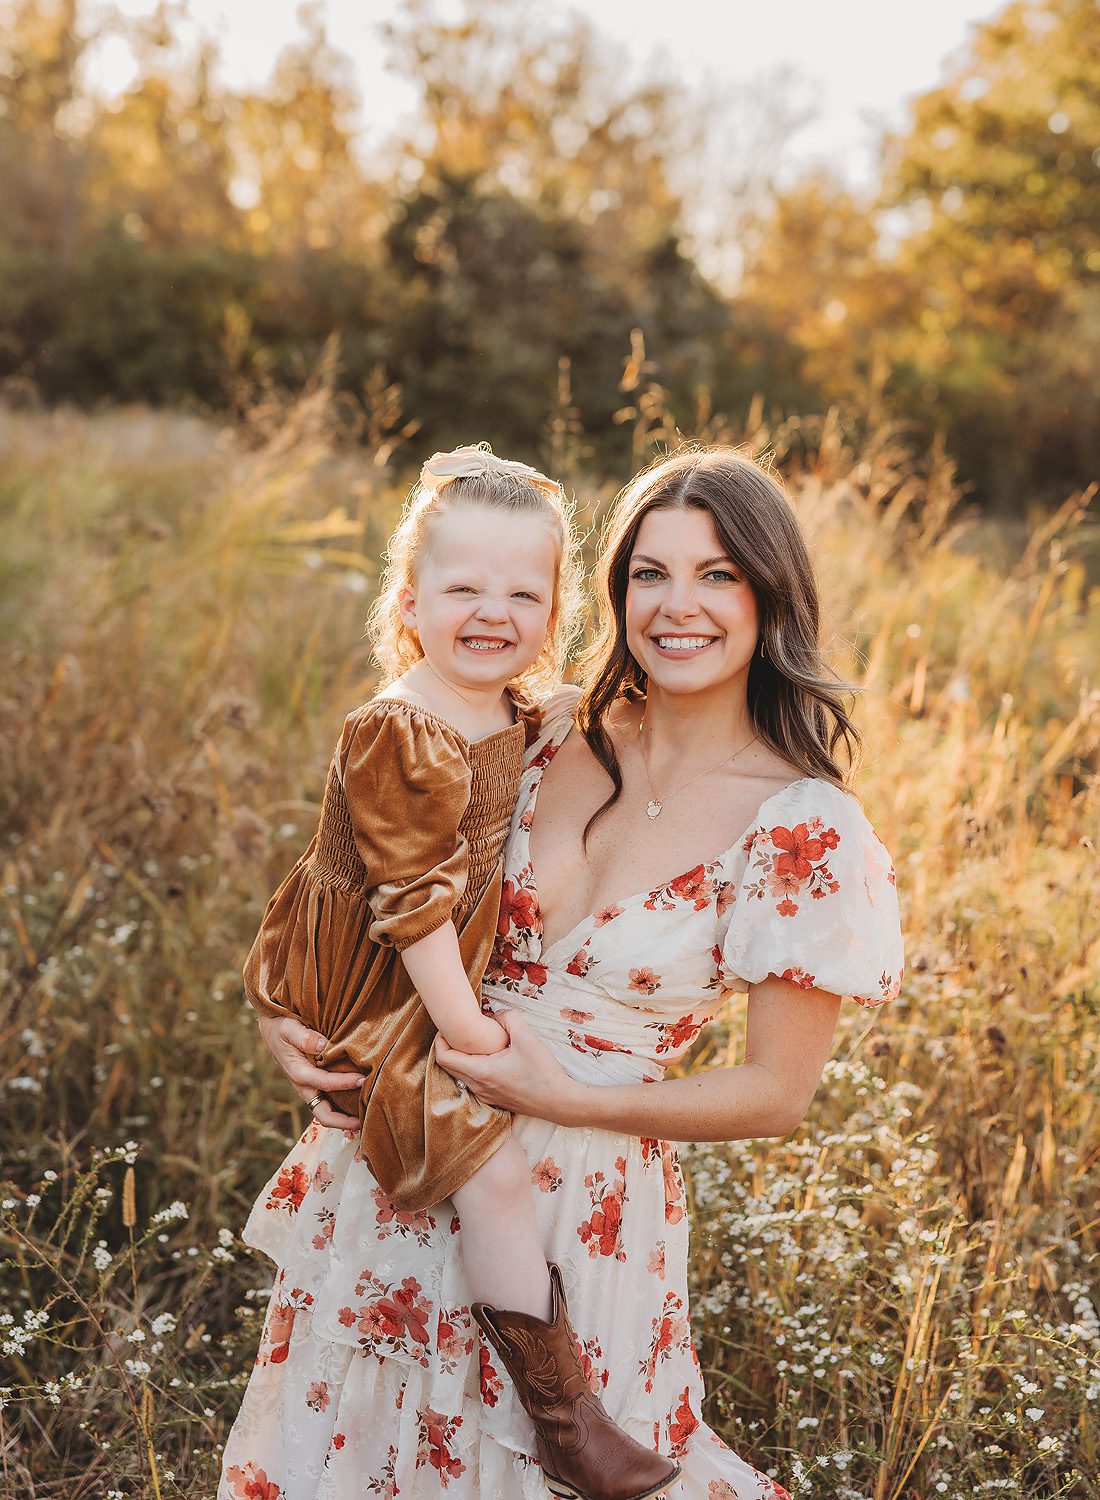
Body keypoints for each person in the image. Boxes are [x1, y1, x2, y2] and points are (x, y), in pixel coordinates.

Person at [223, 447, 904, 1500]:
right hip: (408, 1158)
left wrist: (568, 1095)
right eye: (650, 573)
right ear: (612, 590)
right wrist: (286, 1009)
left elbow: (777, 1094)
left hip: (585, 1210)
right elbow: (359, 868)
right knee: (359, 1457)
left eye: (718, 574)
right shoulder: (537, 730)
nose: (679, 606)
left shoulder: (804, 824)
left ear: (772, 596)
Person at [225, 443, 680, 1500]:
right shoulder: (401, 724)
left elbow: (555, 720)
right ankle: (565, 1419)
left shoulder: (506, 709)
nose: (493, 611)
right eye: (462, 587)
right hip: (384, 985)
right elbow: (413, 906)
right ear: (408, 599)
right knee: (498, 1171)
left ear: (557, 605)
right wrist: (467, 1033)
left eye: (524, 591)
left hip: (417, 974)